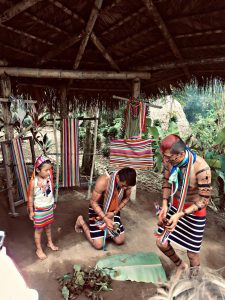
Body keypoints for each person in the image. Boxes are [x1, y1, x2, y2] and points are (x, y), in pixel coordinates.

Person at [155, 134, 211, 273]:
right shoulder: (169, 162)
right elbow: (166, 182)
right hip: (175, 206)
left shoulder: (201, 168)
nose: (165, 159)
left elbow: (204, 200)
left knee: (192, 254)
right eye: (164, 155)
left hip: (194, 213)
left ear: (180, 154)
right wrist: (164, 205)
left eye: (168, 156)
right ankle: (180, 266)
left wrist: (180, 214)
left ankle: (195, 280)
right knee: (162, 243)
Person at [75, 167, 136, 250]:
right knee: (98, 245)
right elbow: (93, 202)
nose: (125, 188)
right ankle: (81, 221)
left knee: (120, 240)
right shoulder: (103, 181)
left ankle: (107, 231)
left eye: (127, 187)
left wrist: (114, 212)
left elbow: (126, 198)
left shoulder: (126, 184)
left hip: (113, 210)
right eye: (123, 186)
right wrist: (105, 219)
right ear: (117, 177)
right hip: (98, 208)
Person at [27, 155, 58, 260]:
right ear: (37, 170)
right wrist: (31, 211)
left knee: (48, 227)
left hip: (49, 208)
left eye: (49, 169)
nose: (48, 172)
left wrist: (52, 201)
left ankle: (50, 243)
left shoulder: (48, 178)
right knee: (39, 230)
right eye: (46, 170)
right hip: (39, 210)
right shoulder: (33, 182)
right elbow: (30, 197)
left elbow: (50, 191)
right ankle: (39, 249)